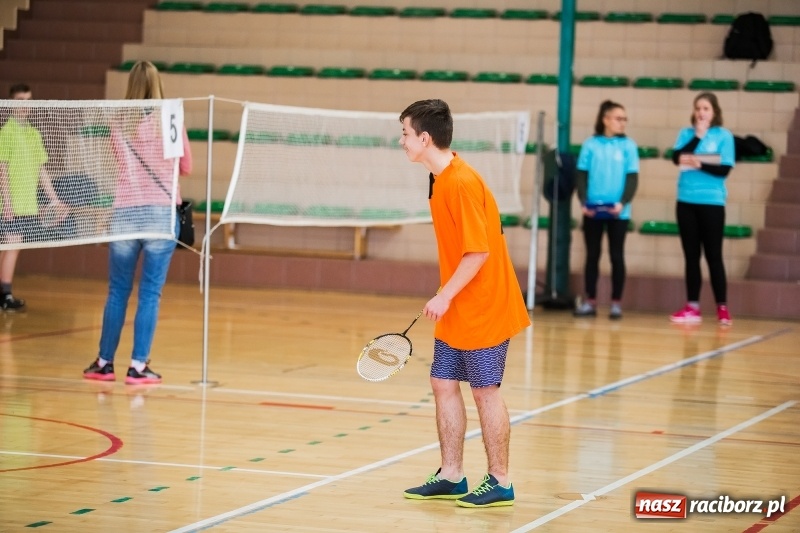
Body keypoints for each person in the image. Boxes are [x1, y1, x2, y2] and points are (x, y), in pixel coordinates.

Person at [398, 99, 530, 508]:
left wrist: (444, 294)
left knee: (485, 390)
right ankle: (452, 474)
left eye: (404, 133)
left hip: (485, 303)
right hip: (460, 304)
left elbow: (479, 253)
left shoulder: (462, 182)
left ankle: (501, 480)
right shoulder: (439, 179)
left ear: (424, 138)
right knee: (442, 383)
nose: (401, 141)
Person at [83, 61, 192, 384]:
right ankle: (138, 366)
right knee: (150, 293)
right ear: (158, 85)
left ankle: (104, 363)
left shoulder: (120, 122)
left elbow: (121, 162)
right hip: (159, 214)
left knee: (117, 291)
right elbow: (185, 166)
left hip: (126, 214)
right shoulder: (170, 119)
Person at [0, 83, 68, 311]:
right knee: (11, 247)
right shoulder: (6, 133)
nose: (24, 107)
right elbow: (1, 170)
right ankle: (6, 296)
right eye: (19, 101)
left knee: (10, 248)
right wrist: (7, 203)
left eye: (28, 102)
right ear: (10, 103)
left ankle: (3, 294)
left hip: (27, 203)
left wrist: (54, 199)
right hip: (9, 204)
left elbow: (42, 171)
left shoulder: (33, 133)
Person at [669, 92, 735, 326]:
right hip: (686, 201)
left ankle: (722, 308)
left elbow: (723, 169)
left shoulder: (724, 136)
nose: (701, 112)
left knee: (714, 256)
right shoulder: (686, 134)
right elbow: (677, 158)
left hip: (712, 203)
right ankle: (692, 307)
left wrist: (698, 162)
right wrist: (697, 138)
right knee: (691, 256)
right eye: (698, 108)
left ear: (714, 112)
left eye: (705, 108)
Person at [573, 100, 639, 320]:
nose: (622, 123)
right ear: (605, 119)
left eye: (624, 119)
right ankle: (590, 301)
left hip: (618, 212)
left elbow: (632, 178)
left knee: (616, 256)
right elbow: (581, 175)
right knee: (592, 255)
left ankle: (616, 303)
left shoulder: (628, 146)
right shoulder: (590, 145)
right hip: (593, 211)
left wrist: (623, 202)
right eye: (618, 118)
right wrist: (583, 202)